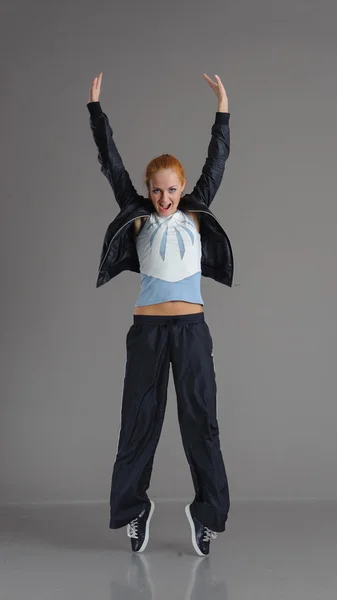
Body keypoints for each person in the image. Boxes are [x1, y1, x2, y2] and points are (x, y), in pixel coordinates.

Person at [87, 72, 234, 556]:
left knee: (202, 422)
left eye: (171, 190)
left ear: (183, 186)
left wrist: (223, 109)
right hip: (147, 331)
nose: (164, 198)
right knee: (138, 422)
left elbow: (219, 160)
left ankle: (206, 514)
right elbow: (111, 165)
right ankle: (134, 509)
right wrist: (96, 111)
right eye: (157, 191)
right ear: (148, 191)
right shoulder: (138, 216)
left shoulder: (196, 212)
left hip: (192, 330)